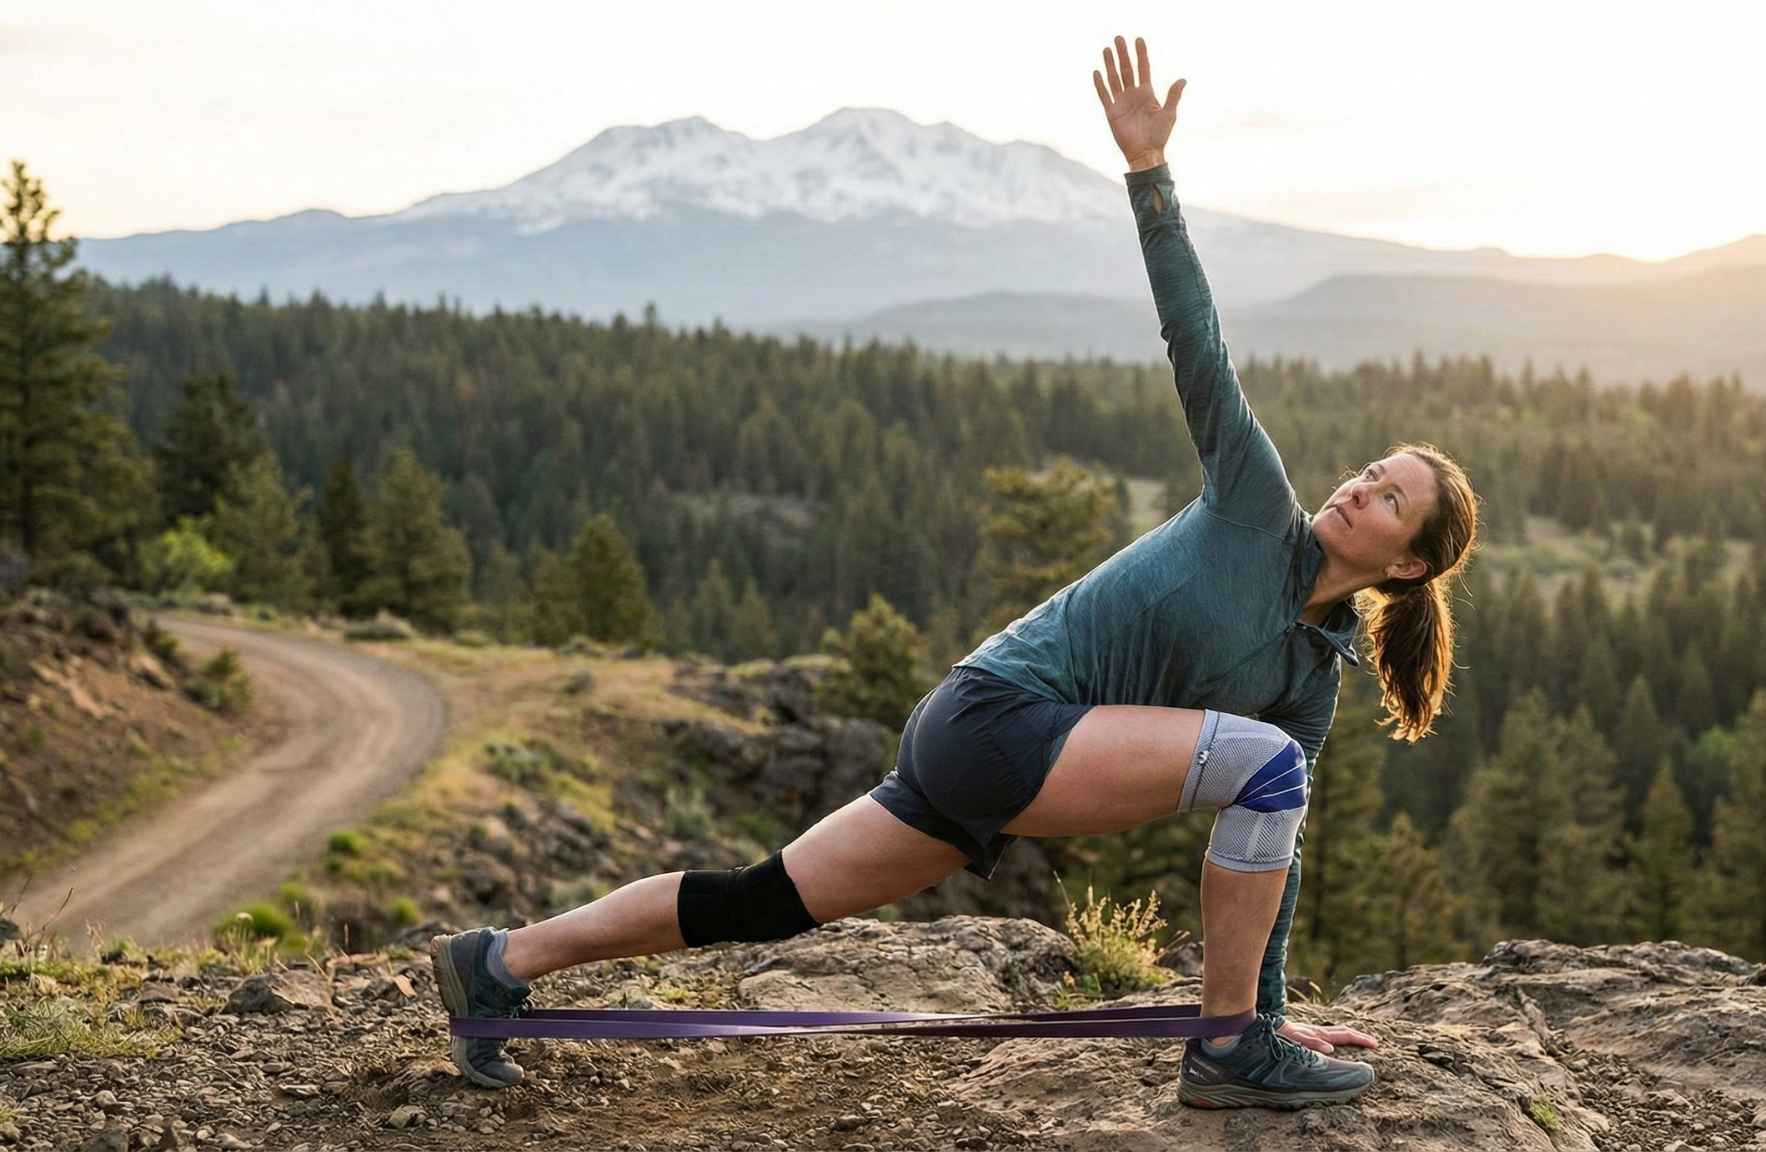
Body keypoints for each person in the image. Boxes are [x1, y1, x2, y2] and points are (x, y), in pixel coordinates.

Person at [431, 33, 1480, 1111]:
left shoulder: (1310, 677)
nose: (1357, 488)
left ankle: (498, 962)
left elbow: (1277, 852)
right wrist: (1148, 175)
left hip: (982, 758)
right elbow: (1196, 340)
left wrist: (1262, 999)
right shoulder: (1257, 504)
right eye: (1368, 470)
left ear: (1404, 562)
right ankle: (1227, 1056)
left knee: (764, 900)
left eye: (1389, 497)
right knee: (1266, 769)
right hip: (994, 721)